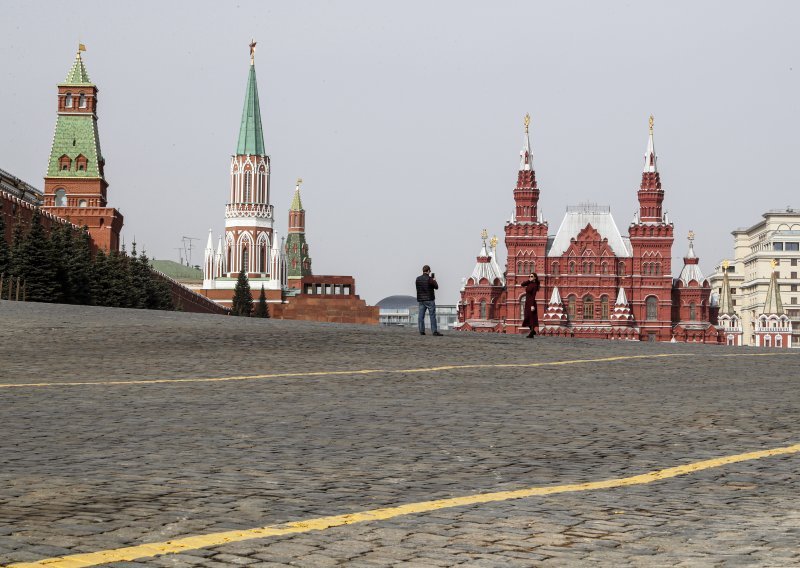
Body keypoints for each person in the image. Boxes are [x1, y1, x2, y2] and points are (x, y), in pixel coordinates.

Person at [415, 265, 442, 336]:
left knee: (421, 316)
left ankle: (421, 331)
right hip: (430, 300)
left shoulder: (418, 279)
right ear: (428, 271)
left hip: (421, 300)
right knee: (432, 316)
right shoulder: (430, 279)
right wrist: (434, 280)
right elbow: (436, 287)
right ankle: (434, 331)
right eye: (429, 271)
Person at [520, 272, 540, 338]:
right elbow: (522, 284)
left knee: (531, 318)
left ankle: (531, 333)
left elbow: (533, 296)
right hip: (527, 302)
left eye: (531, 276)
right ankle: (533, 331)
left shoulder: (535, 285)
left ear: (535, 277)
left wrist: (532, 305)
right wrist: (529, 280)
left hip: (531, 303)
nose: (530, 277)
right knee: (526, 317)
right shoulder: (529, 283)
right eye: (529, 276)